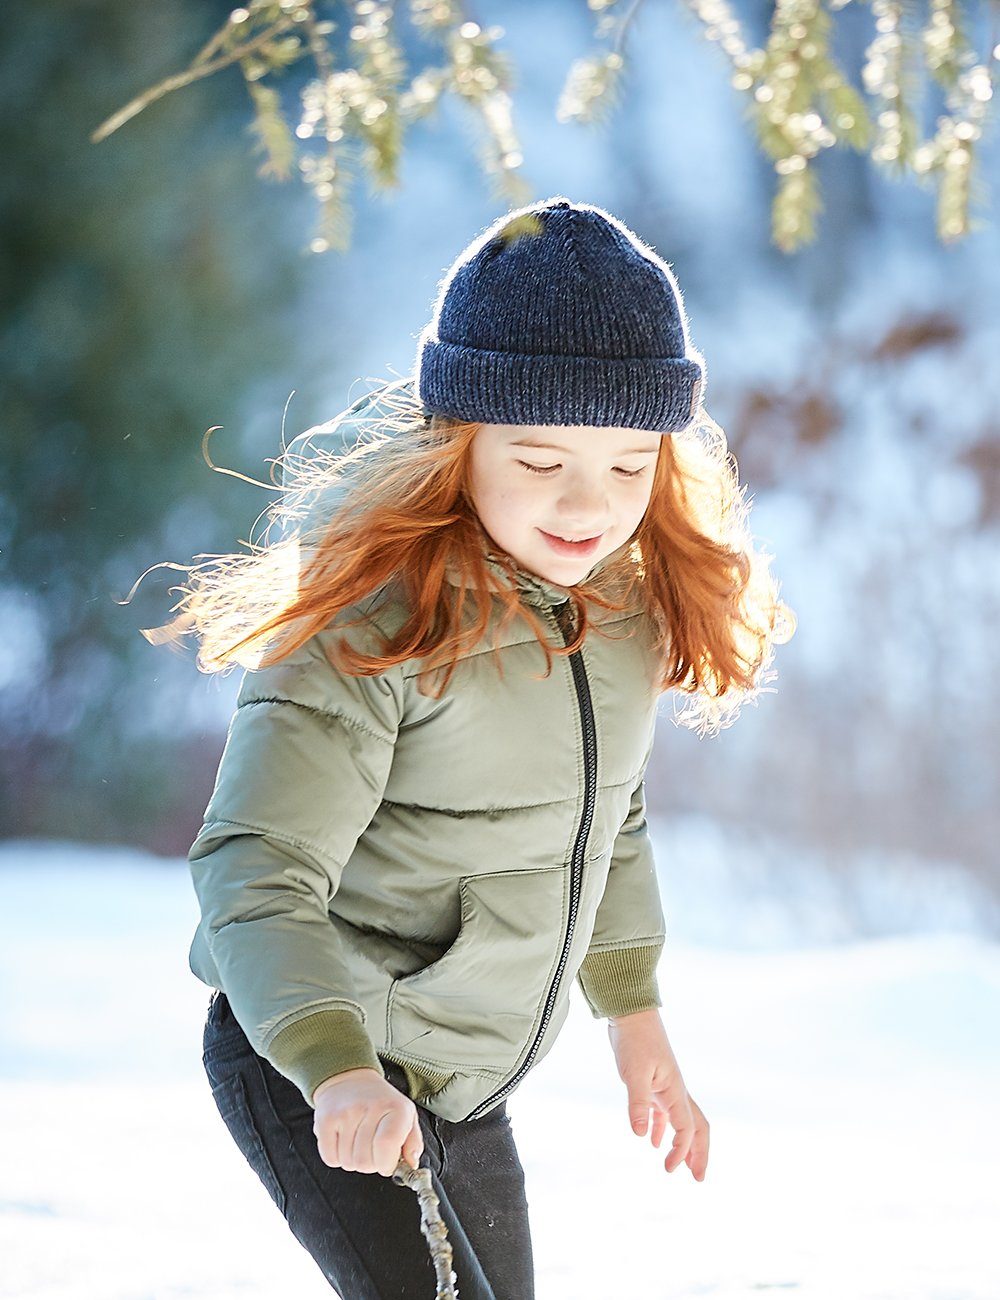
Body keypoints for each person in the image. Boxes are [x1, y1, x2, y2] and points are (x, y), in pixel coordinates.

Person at [155, 195, 794, 1299]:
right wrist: (338, 1069)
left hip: (462, 1076)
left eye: (629, 465)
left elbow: (608, 814)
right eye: (542, 460)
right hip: (314, 1051)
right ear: (461, 442)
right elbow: (253, 869)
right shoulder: (374, 622)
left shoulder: (618, 609)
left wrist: (635, 1019)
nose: (589, 506)